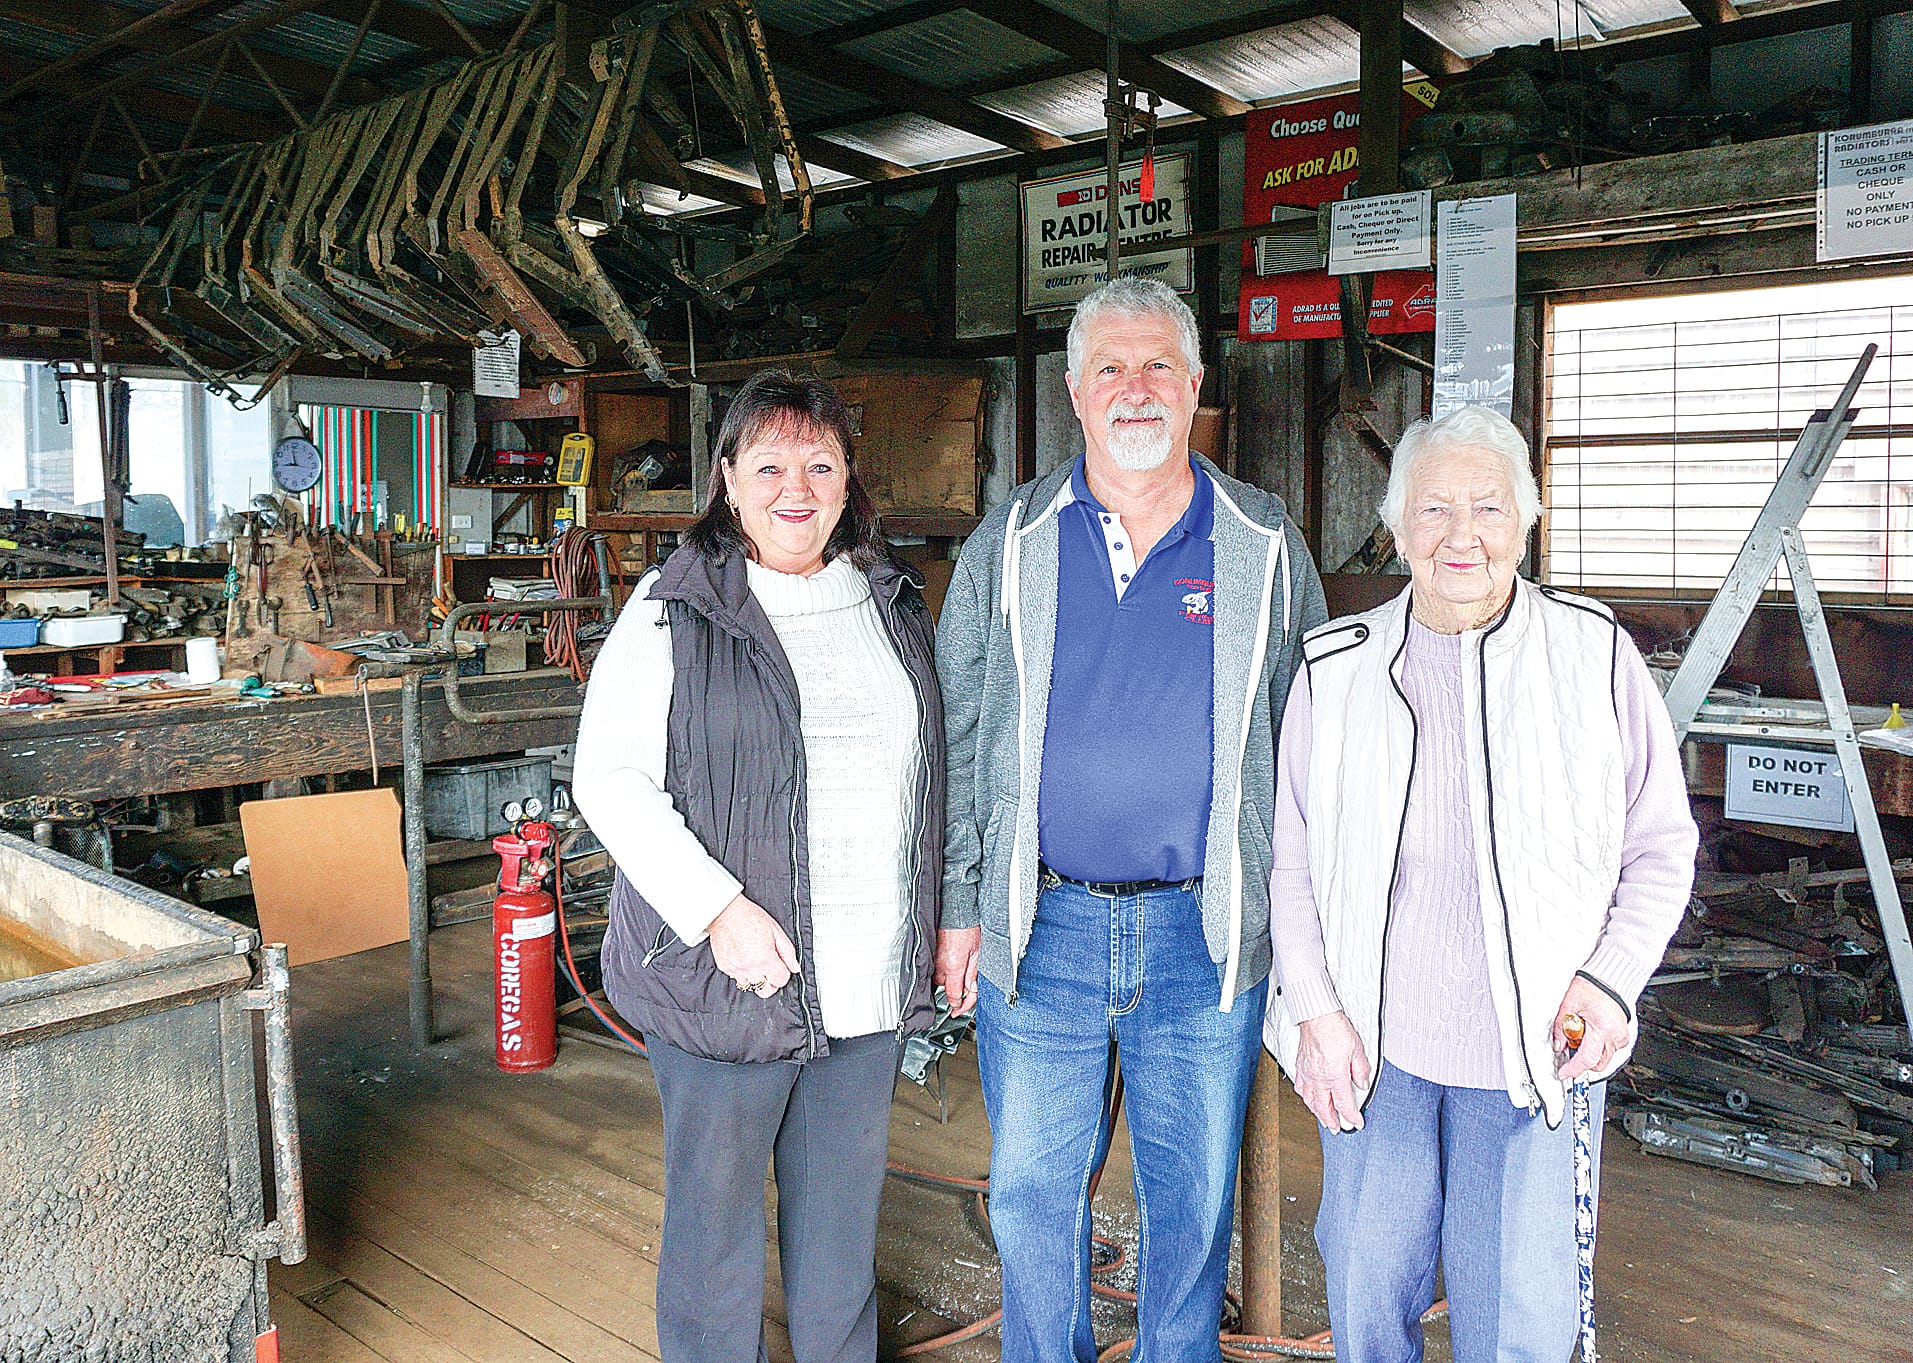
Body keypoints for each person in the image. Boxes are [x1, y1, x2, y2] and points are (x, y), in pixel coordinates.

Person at [935, 276, 1327, 1363]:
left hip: (1202, 934)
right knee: (1027, 1197)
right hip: (1041, 925)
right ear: (1073, 392)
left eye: (1158, 364)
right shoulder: (1008, 544)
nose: (1134, 388)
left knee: (1190, 1208)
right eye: (1108, 367)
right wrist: (960, 904)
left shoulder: (1258, 541)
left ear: (1195, 383)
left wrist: (1300, 933)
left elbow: (1310, 747)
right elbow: (959, 731)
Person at [1264, 405, 1699, 1362]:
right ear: (1396, 522)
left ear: (1526, 520)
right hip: (1378, 1046)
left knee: (1517, 1314)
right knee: (1368, 1285)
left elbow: (1661, 844)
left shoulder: (1592, 655)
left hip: (1539, 1045)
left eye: (1487, 508)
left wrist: (1611, 977)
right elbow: (1289, 861)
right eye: (1433, 510)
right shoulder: (1334, 670)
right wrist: (1315, 1009)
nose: (1461, 534)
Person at [572, 370, 945, 1363]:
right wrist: (716, 908)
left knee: (837, 1237)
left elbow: (926, 777)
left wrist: (938, 919)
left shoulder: (887, 600)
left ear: (847, 479)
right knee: (715, 1237)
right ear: (727, 478)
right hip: (729, 975)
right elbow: (607, 777)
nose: (796, 485)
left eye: (818, 462)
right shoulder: (672, 607)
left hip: (861, 981)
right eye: (770, 462)